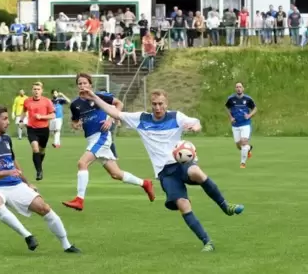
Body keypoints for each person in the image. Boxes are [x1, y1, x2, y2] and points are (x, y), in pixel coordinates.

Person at [80, 87, 244, 251]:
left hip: (181, 163)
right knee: (183, 204)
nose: (157, 108)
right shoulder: (142, 119)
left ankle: (225, 207)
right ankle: (207, 242)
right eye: (154, 104)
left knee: (196, 172)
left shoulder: (176, 117)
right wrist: (94, 97)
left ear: (166, 104)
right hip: (165, 173)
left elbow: (196, 122)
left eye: (160, 104)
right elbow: (115, 113)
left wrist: (196, 127)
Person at [0, 105, 80, 252]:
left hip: (14, 184)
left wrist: (27, 183)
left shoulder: (6, 139)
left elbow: (13, 163)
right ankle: (28, 236)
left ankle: (67, 245)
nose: (8, 122)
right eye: (4, 119)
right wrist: (7, 173)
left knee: (44, 208)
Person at [62, 73, 154, 211]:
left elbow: (119, 104)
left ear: (90, 85)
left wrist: (110, 119)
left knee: (82, 163)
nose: (82, 86)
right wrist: (76, 124)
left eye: (85, 83)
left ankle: (79, 200)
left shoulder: (99, 96)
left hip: (102, 136)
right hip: (91, 139)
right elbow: (74, 121)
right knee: (116, 174)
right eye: (80, 83)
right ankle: (145, 183)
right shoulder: (75, 104)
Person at [19, 82, 55, 181]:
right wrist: (21, 121)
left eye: (38, 89)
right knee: (35, 149)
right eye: (34, 89)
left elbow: (52, 115)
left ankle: (39, 165)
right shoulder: (27, 101)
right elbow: (24, 111)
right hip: (31, 129)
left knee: (42, 150)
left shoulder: (47, 101)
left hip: (44, 129)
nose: (36, 91)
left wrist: (42, 117)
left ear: (42, 91)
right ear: (32, 90)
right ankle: (39, 171)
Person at [225, 82, 256, 169]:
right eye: (237, 87)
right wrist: (231, 117)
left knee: (243, 141)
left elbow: (255, 108)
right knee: (239, 146)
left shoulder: (248, 99)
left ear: (243, 89)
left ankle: (243, 163)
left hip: (245, 124)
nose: (238, 88)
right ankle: (248, 148)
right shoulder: (231, 99)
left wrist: (249, 115)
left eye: (240, 87)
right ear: (235, 89)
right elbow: (227, 108)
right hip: (235, 125)